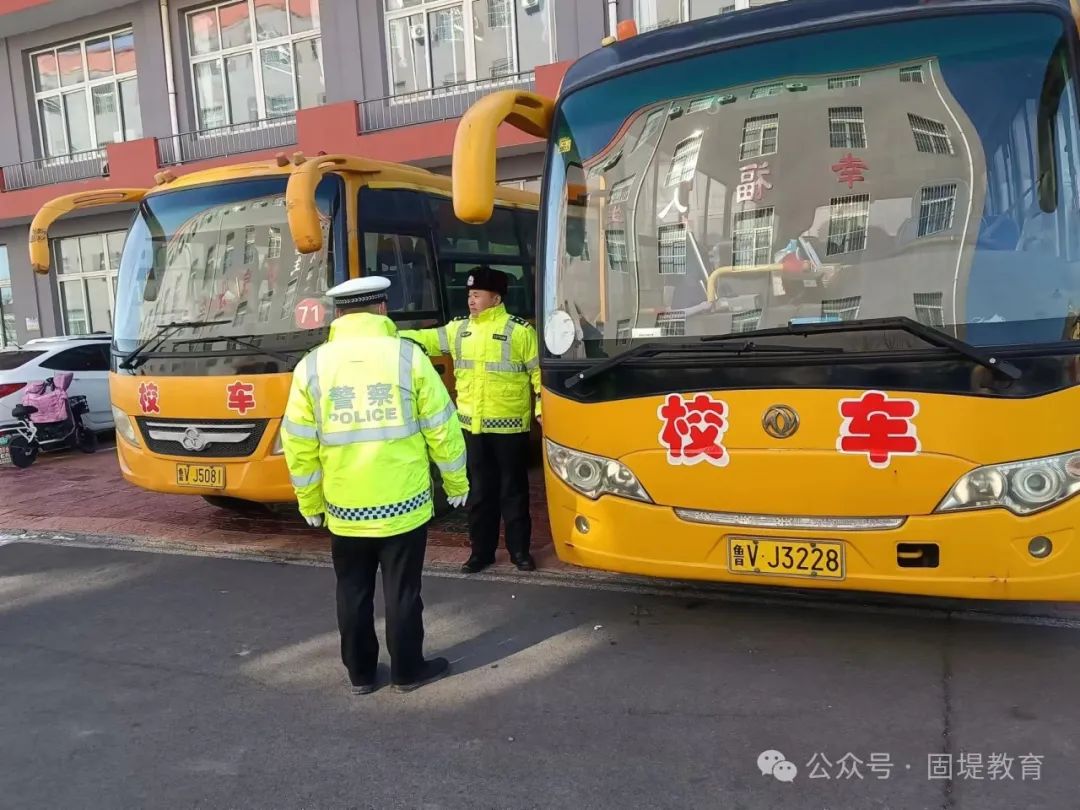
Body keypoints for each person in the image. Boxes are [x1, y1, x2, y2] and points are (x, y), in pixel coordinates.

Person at [281, 275, 469, 695]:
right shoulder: (407, 357)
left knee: (352, 591)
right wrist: (456, 480)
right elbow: (442, 426)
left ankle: (361, 675)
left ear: (338, 314)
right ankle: (407, 670)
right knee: (403, 591)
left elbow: (297, 442)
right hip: (403, 503)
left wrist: (309, 500)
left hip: (346, 507)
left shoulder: (312, 365)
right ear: (382, 310)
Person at [401, 266, 541, 574]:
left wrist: (542, 407)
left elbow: (538, 373)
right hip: (471, 429)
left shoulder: (519, 331)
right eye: (469, 295)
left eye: (477, 295)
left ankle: (520, 552)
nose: (471, 300)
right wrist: (384, 332)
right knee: (479, 493)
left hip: (510, 428)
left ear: (496, 298)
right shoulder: (458, 330)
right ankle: (482, 553)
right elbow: (423, 338)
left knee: (513, 492)